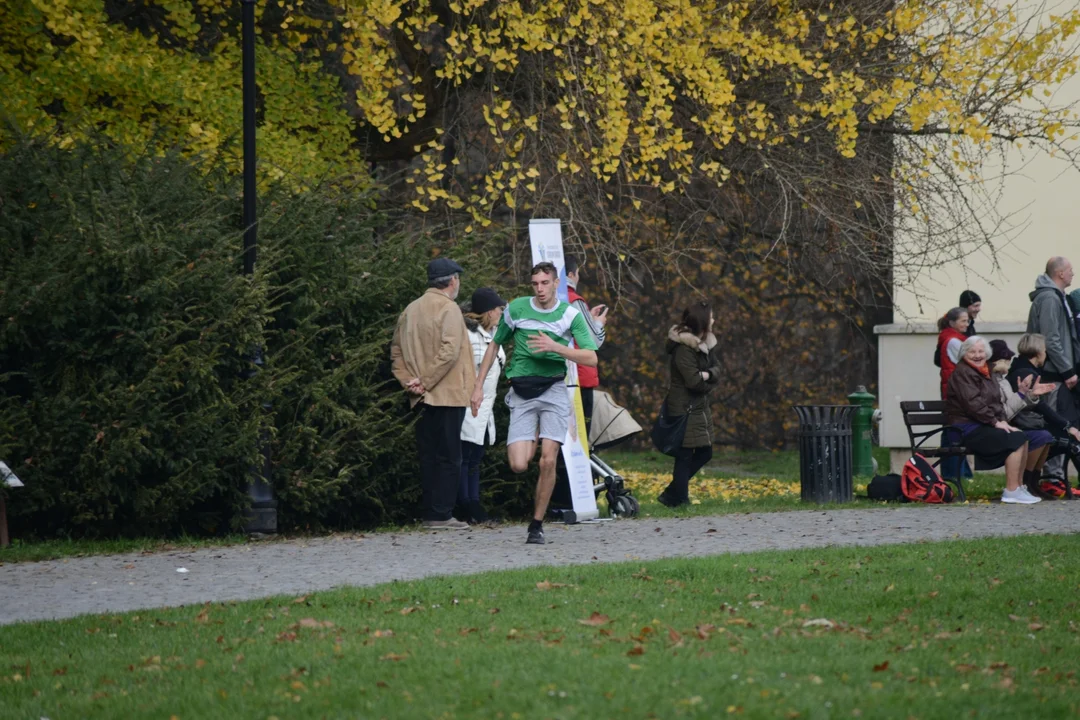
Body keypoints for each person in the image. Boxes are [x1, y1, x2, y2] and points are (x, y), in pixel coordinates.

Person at [470, 261, 599, 545]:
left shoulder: (569, 315)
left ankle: (536, 524)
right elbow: (494, 345)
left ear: (556, 284)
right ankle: (536, 434)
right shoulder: (516, 309)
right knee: (518, 464)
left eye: (545, 283)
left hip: (553, 389)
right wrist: (478, 386)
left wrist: (556, 347)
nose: (540, 289)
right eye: (535, 284)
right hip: (522, 391)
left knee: (548, 460)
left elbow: (591, 357)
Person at [390, 258, 476, 530]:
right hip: (447, 395)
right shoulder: (449, 308)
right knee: (450, 456)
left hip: (420, 397)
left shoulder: (410, 309)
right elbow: (449, 352)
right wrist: (425, 381)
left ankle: (431, 512)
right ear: (453, 281)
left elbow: (395, 353)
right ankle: (441, 515)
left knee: (428, 455)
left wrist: (409, 382)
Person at [945, 336, 1038, 504]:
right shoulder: (962, 373)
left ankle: (1018, 487)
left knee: (1021, 436)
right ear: (964, 354)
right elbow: (973, 404)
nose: (977, 355)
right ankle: (1011, 491)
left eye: (981, 351)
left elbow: (996, 403)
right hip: (965, 428)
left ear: (987, 353)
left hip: (982, 424)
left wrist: (1003, 422)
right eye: (971, 352)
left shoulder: (987, 372)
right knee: (1015, 439)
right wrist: (996, 423)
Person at [657, 301, 721, 508]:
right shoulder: (684, 349)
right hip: (684, 408)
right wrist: (708, 381)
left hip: (698, 408)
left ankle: (671, 494)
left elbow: (718, 368)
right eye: (711, 317)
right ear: (702, 321)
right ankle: (680, 499)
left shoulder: (706, 344)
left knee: (705, 452)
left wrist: (708, 374)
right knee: (684, 456)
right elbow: (693, 382)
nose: (714, 320)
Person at [1026, 256, 1080, 484]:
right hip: (1053, 375)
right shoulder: (1049, 298)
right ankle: (1052, 478)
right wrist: (1067, 371)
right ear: (1059, 273)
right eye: (1070, 270)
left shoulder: (1057, 297)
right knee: (1057, 425)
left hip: (1058, 372)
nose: (1072, 274)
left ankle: (1053, 477)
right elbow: (1051, 339)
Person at [1006, 333, 1080, 498]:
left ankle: (1033, 482)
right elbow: (1040, 406)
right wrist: (1068, 426)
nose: (1046, 354)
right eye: (1045, 350)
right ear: (1039, 352)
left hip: (1028, 422)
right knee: (1051, 436)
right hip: (1024, 423)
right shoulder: (1026, 372)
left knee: (1053, 437)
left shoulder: (1025, 368)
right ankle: (1028, 481)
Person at [458, 287, 507, 525]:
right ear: (489, 311)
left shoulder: (494, 333)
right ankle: (466, 504)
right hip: (469, 404)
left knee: (475, 457)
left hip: (485, 407)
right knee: (465, 457)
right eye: (499, 308)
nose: (501, 311)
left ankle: (473, 502)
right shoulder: (469, 336)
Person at [988, 340, 1057, 495]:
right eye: (1006, 359)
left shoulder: (1002, 380)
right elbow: (1004, 412)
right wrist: (1021, 394)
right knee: (1032, 436)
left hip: (1007, 423)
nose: (1009, 362)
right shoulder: (992, 380)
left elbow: (1011, 406)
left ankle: (1032, 482)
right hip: (997, 426)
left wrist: (1029, 395)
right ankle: (1024, 483)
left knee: (1045, 436)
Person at [564, 256, 609, 435]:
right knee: (580, 432)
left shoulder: (552, 298)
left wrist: (587, 317)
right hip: (579, 375)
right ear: (571, 274)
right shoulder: (575, 299)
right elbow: (593, 340)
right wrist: (597, 323)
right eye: (577, 274)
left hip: (559, 376)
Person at [936, 307, 969, 399]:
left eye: (967, 321)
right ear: (952, 323)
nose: (967, 324)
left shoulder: (955, 339)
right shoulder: (953, 342)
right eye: (963, 321)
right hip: (957, 392)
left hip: (956, 389)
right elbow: (970, 364)